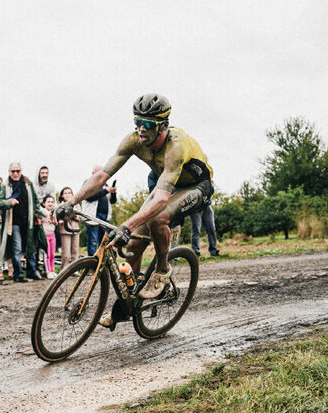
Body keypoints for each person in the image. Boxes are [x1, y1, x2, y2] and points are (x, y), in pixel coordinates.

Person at [57, 94, 213, 316]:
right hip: (164, 185)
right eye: (137, 122)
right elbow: (102, 176)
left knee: (158, 218)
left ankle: (161, 270)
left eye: (147, 124)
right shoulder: (133, 140)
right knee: (131, 247)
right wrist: (71, 201)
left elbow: (160, 201)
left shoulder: (176, 146)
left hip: (195, 187)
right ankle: (132, 300)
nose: (141, 129)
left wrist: (127, 226)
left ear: (163, 126)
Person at [0, 162, 42, 282]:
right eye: (13, 171)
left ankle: (32, 272)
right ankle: (18, 274)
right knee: (17, 248)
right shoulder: (5, 185)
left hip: (28, 220)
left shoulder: (28, 183)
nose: (15, 174)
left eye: (18, 171)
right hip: (13, 222)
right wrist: (9, 202)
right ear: (9, 172)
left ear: (21, 171)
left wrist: (38, 215)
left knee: (31, 247)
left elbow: (35, 201)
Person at [84, 166, 116, 256]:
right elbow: (89, 197)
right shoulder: (88, 183)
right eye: (99, 172)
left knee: (104, 241)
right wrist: (105, 191)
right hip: (93, 216)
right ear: (93, 173)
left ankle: (103, 262)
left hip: (105, 217)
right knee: (93, 242)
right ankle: (92, 263)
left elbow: (112, 201)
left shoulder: (105, 185)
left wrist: (113, 194)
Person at [57, 187, 81, 267]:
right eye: (65, 193)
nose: (68, 195)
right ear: (62, 195)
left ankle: (75, 269)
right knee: (66, 252)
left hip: (75, 229)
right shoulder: (60, 206)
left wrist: (73, 215)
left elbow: (80, 217)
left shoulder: (77, 205)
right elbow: (59, 217)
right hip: (65, 229)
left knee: (75, 251)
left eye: (69, 193)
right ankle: (64, 269)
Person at [40, 195, 57, 278]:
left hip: (52, 235)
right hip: (45, 236)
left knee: (52, 254)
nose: (50, 203)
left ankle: (52, 270)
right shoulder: (43, 213)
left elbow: (56, 223)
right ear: (44, 203)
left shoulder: (54, 213)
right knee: (47, 254)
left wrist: (54, 217)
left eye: (52, 202)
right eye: (48, 202)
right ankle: (48, 271)